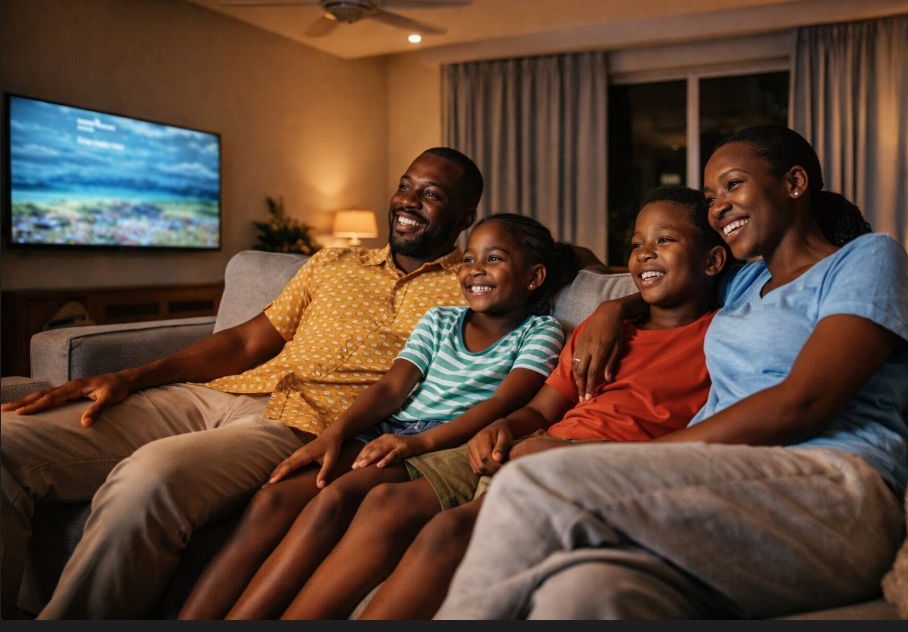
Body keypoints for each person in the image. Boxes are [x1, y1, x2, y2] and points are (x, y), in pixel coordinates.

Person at [434, 125, 908, 620]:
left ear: (795, 183)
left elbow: (804, 403)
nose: (718, 207)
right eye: (711, 197)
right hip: (731, 486)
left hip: (837, 489)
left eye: (733, 185)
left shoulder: (867, 258)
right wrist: (613, 310)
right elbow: (668, 279)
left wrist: (634, 461)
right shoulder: (745, 280)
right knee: (583, 591)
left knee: (533, 481)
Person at [0, 147, 485, 620]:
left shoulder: (474, 290)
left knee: (150, 478)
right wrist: (131, 377)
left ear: (464, 218)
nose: (408, 201)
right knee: (8, 442)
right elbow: (249, 341)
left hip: (300, 425)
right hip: (217, 393)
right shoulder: (333, 263)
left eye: (431, 194)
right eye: (405, 185)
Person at [267, 185, 729, 620]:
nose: (643, 253)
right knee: (384, 500)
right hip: (533, 445)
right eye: (635, 244)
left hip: (593, 465)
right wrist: (507, 426)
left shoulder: (723, 338)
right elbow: (540, 410)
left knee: (447, 533)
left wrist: (548, 446)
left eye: (663, 239)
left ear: (713, 261)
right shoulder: (602, 331)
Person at [177, 213, 579, 619]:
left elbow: (500, 406)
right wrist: (335, 434)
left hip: (441, 442)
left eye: (493, 259)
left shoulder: (540, 331)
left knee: (334, 498)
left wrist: (416, 443)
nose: (475, 270)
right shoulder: (440, 320)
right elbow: (391, 388)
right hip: (387, 430)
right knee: (273, 498)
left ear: (533, 277)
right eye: (470, 258)